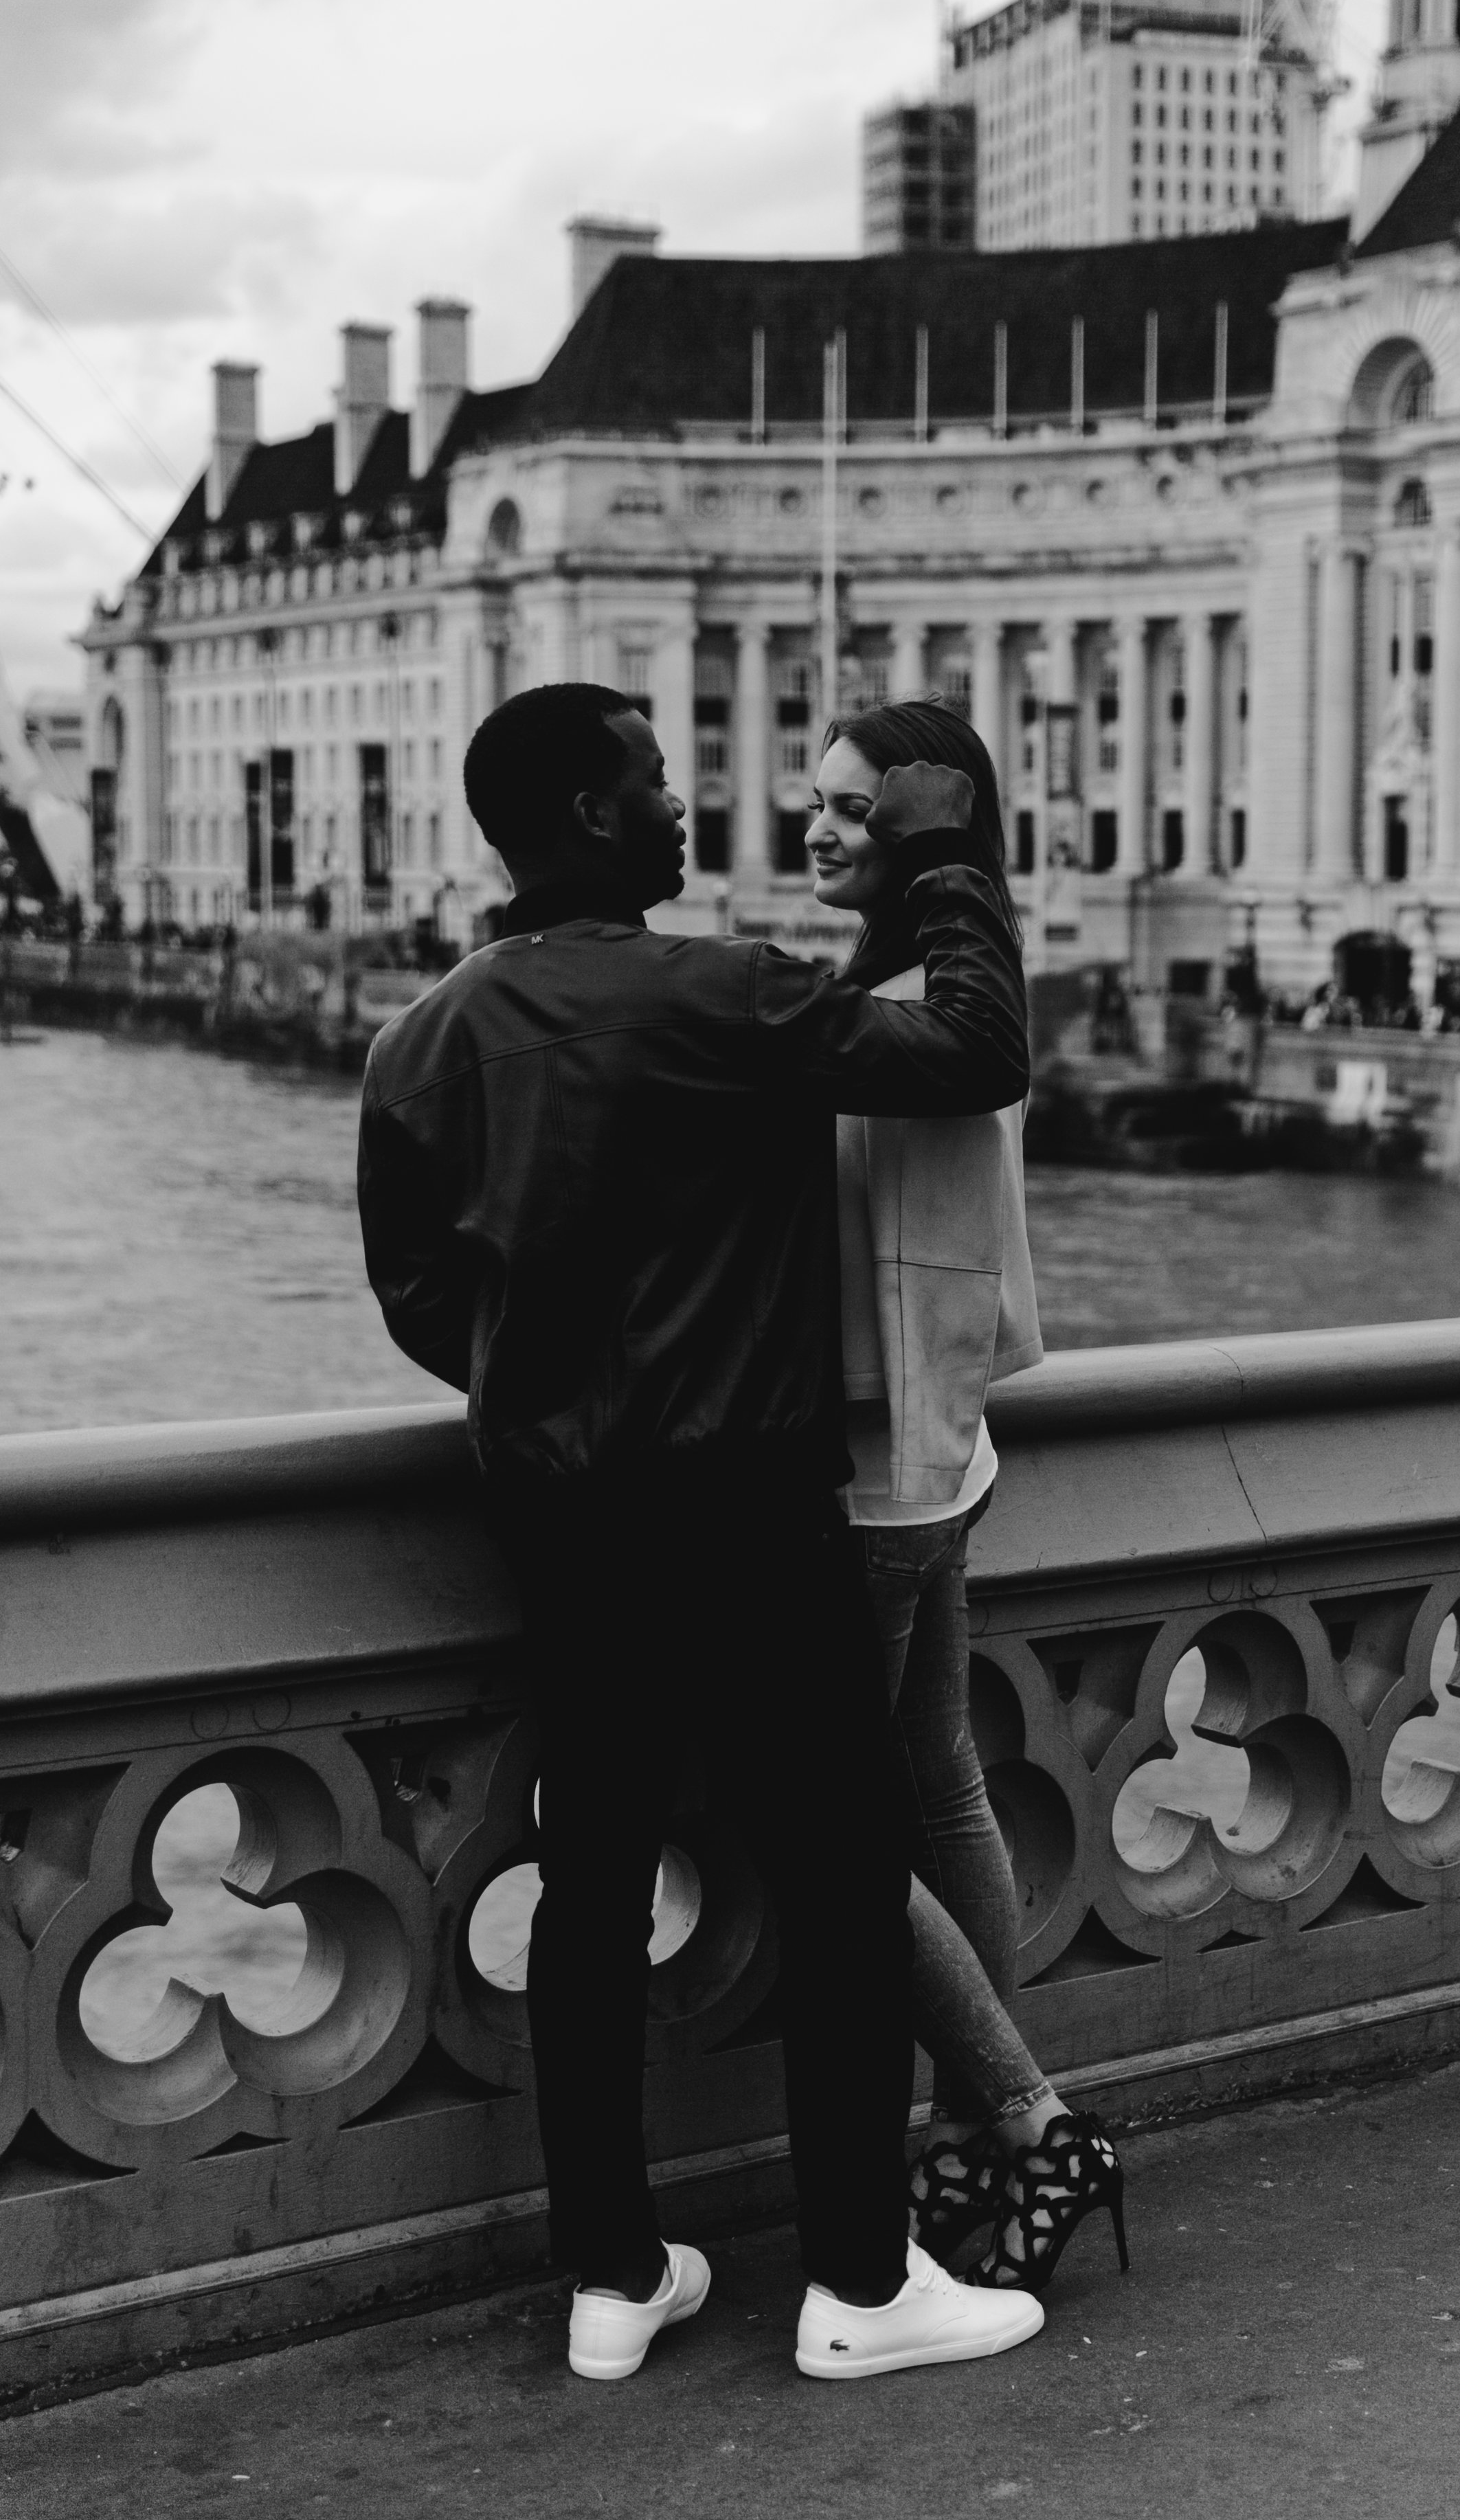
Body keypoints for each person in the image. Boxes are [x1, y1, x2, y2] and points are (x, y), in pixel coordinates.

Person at [357, 682, 1044, 2386]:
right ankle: (860, 2290)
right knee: (830, 1868)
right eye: (656, 783)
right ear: (592, 817)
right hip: (747, 1502)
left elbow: (420, 1295)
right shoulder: (723, 993)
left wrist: (543, 1385)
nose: (685, 807)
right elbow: (973, 1050)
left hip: (559, 1511)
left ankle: (610, 2275)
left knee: (589, 1881)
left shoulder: (420, 1044)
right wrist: (946, 855)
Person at [805, 697, 1127, 2297]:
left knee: (826, 1825)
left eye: (853, 812)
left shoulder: (940, 1005)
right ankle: (958, 2160)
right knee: (935, 1789)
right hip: (946, 1452)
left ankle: (1024, 2120)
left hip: (873, 1475)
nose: (815, 830)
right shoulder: (951, 976)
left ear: (927, 833)